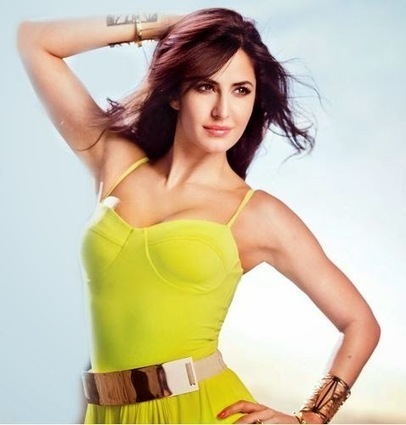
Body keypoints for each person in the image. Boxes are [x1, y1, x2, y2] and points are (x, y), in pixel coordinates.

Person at [17, 7, 380, 424]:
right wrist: (167, 26)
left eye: (241, 90)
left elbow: (360, 322)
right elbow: (35, 41)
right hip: (104, 413)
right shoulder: (116, 162)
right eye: (206, 86)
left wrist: (311, 416)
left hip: (203, 410)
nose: (223, 110)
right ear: (175, 93)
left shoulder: (257, 214)